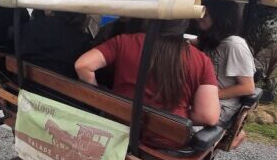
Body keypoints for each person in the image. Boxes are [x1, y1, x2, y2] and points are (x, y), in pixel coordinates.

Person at [75, 19, 220, 149]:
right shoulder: (201, 60)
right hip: (166, 147)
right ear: (185, 24)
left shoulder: (124, 41)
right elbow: (208, 116)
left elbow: (83, 65)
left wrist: (100, 98)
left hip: (117, 132)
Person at [196, 0, 256, 126]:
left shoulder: (234, 45)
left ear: (219, 18)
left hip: (221, 106)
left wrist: (211, 96)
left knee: (174, 123)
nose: (199, 18)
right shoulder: (212, 41)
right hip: (204, 100)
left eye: (205, 15)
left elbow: (248, 87)